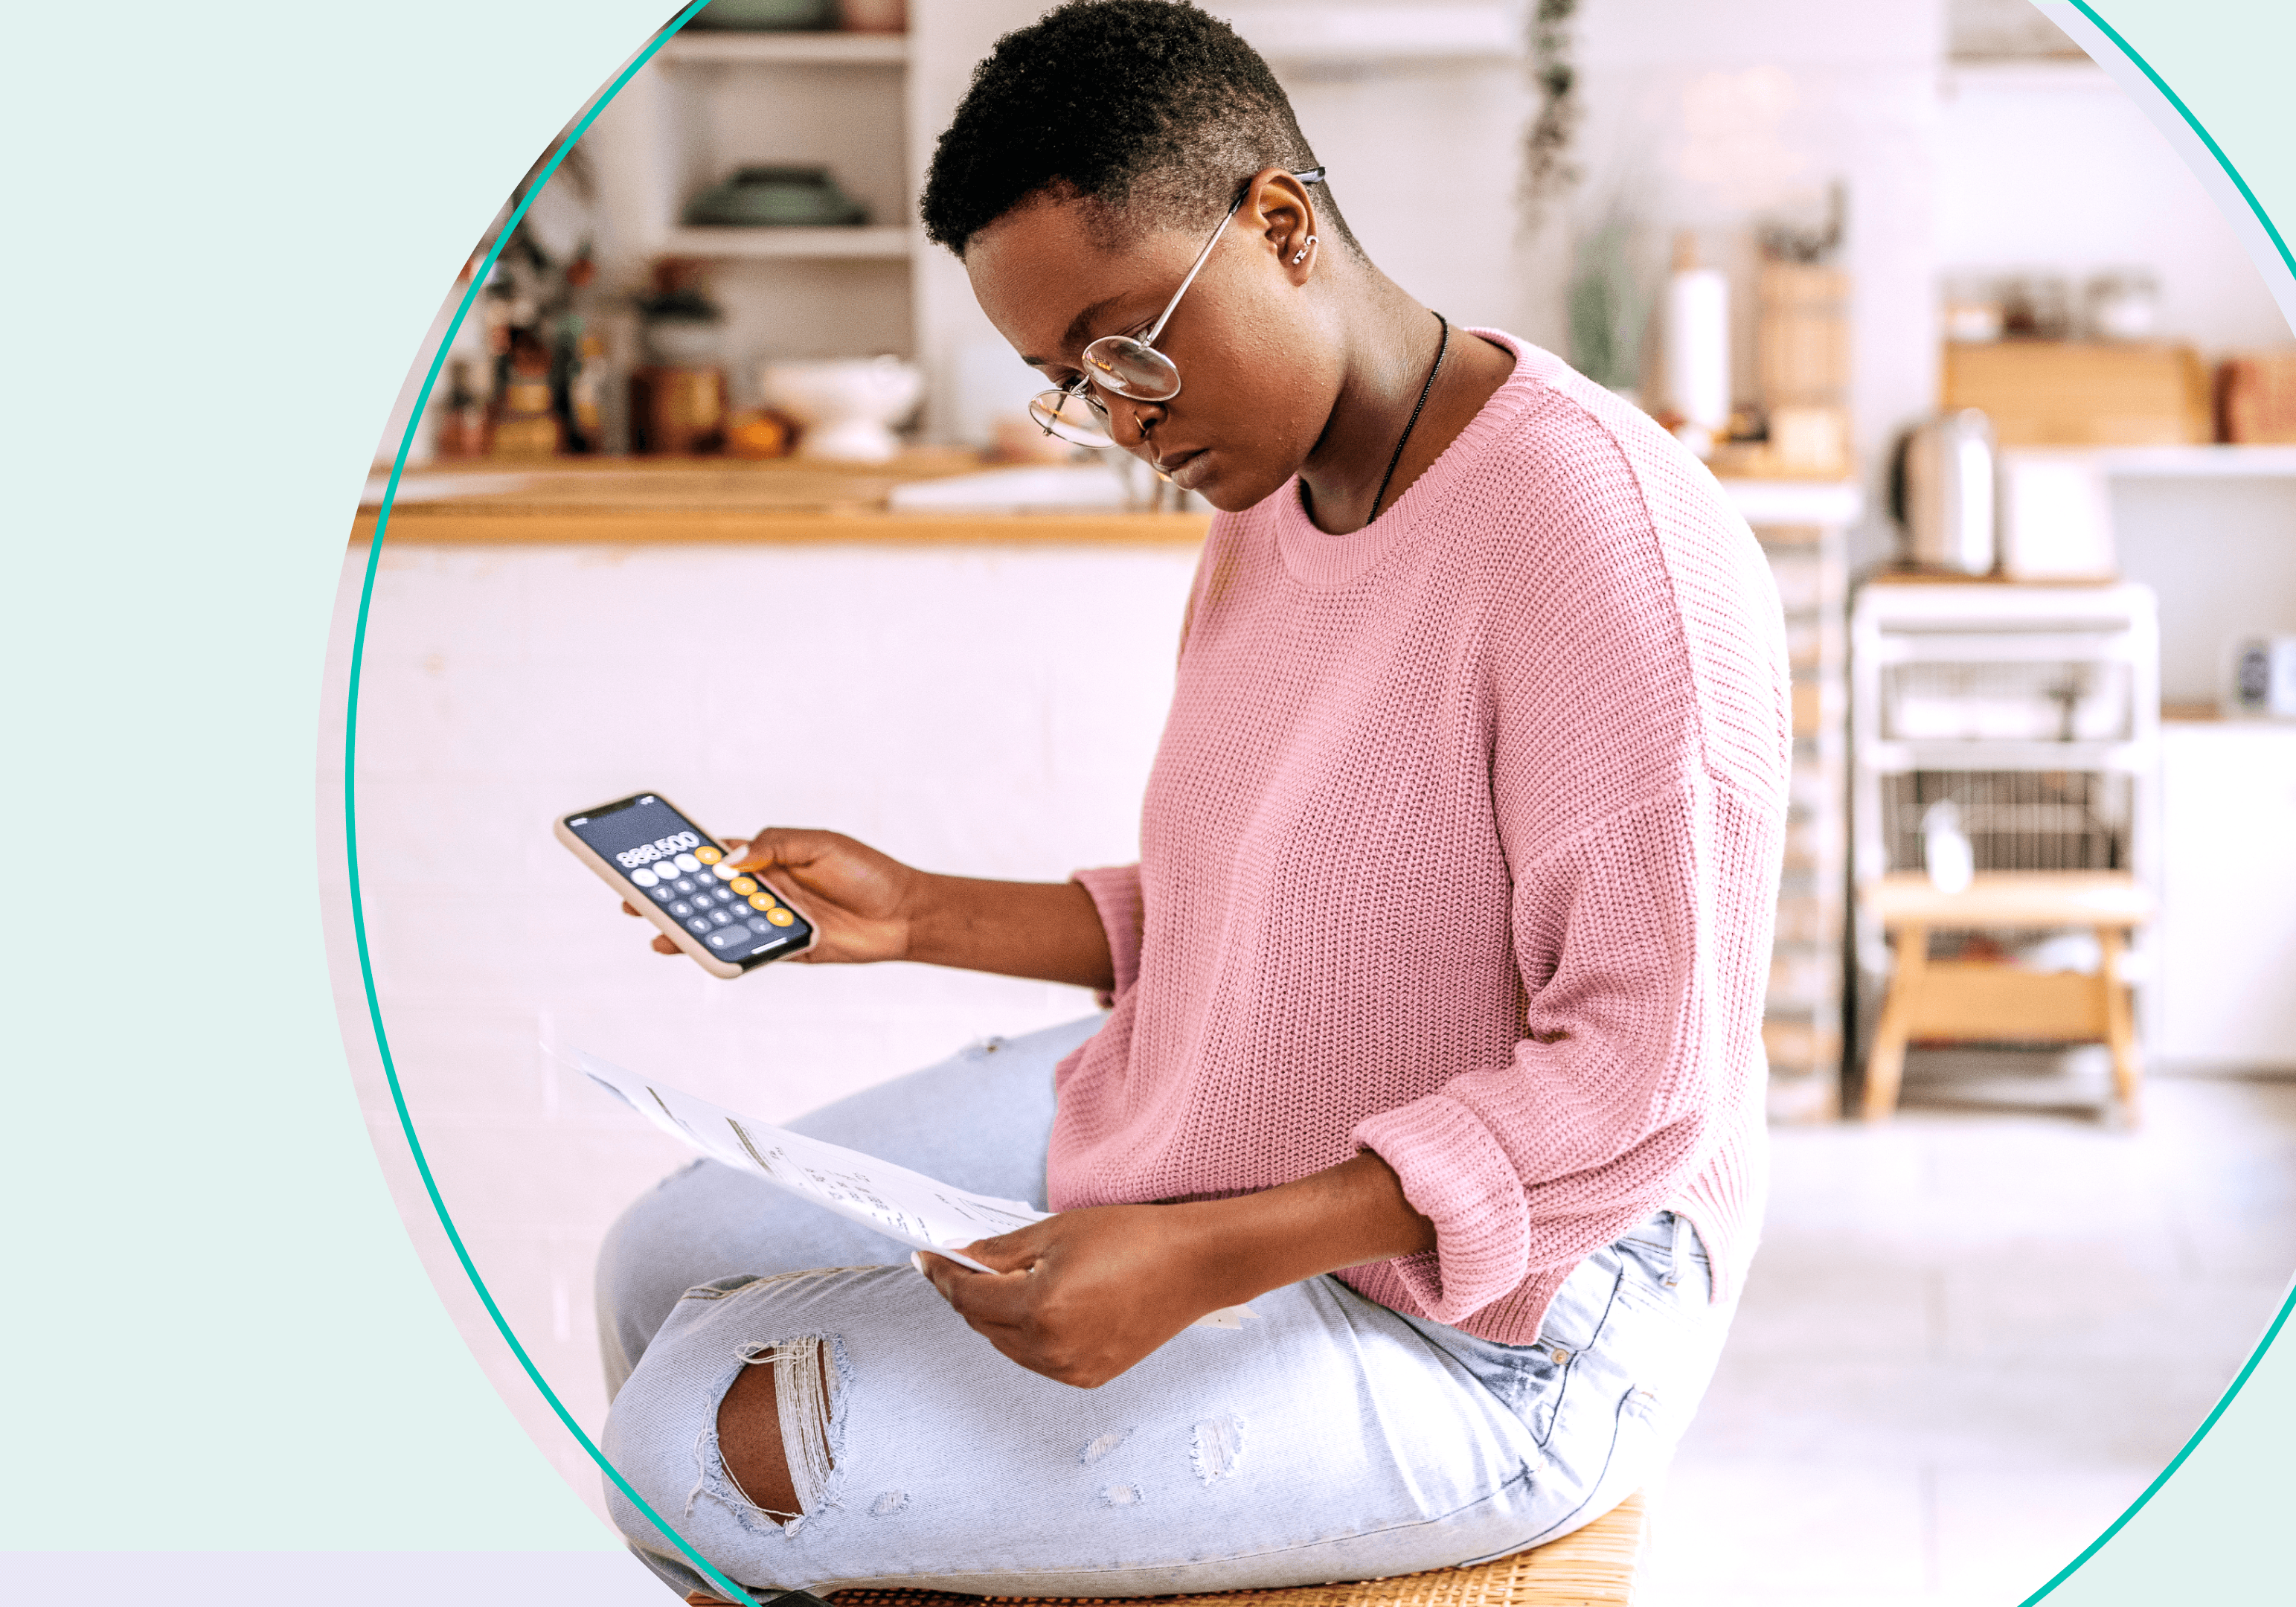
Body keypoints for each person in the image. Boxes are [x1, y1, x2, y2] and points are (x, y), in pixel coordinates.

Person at [592, 1, 1788, 1599]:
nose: (1122, 419)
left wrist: (1207, 1255)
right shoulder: (1279, 492)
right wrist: (922, 914)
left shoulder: (1601, 541)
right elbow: (1286, 905)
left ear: (1278, 224)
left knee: (694, 1441)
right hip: (1235, 1106)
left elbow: (1646, 1078)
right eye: (1066, 381)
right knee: (655, 1261)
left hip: (1521, 1320)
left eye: (1124, 343)